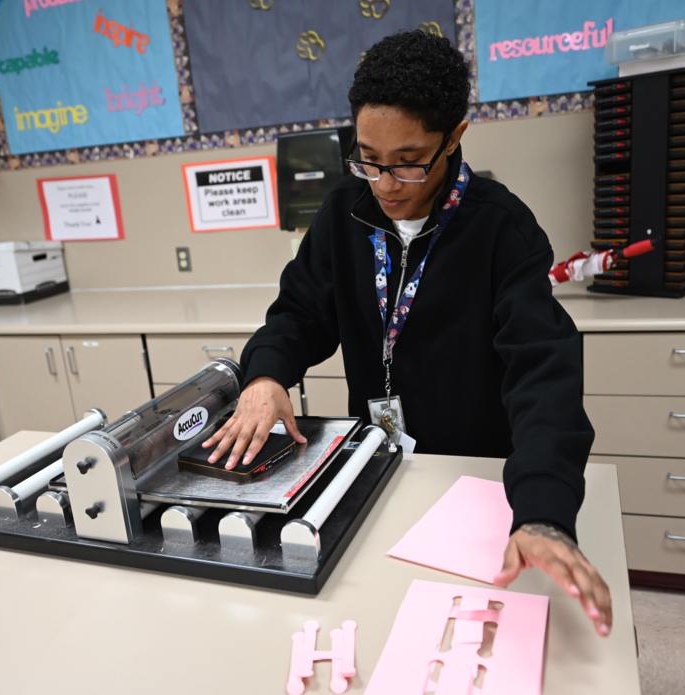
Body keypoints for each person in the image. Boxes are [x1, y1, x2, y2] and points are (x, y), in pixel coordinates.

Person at [203, 30, 612, 636]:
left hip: (473, 480)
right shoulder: (345, 210)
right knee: (371, 615)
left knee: (467, 629)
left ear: (455, 137)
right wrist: (266, 375)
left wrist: (544, 514)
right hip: (377, 469)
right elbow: (297, 314)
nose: (386, 182)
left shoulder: (502, 229)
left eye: (408, 160)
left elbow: (543, 376)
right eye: (367, 157)